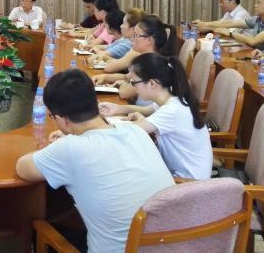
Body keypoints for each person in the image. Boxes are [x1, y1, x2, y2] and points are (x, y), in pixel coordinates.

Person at [16, 69, 174, 253]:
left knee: (36, 227)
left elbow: (23, 168)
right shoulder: (136, 131)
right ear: (96, 103)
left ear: (61, 119)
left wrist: (58, 148)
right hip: (173, 243)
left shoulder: (71, 148)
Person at [99, 54, 212, 180]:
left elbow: (130, 132)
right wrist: (117, 108)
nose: (133, 86)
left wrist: (96, 124)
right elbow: (145, 110)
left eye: (134, 82)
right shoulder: (171, 99)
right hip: (178, 173)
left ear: (152, 83)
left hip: (187, 181)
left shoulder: (172, 110)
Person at [94, 14, 176, 104]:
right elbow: (126, 77)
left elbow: (124, 92)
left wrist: (123, 83)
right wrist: (105, 77)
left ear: (149, 40)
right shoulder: (146, 60)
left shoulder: (152, 65)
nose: (132, 38)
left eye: (136, 35)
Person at [193, 0, 264, 51]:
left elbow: (253, 41)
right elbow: (231, 23)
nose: (255, 5)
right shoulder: (257, 19)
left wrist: (230, 33)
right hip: (258, 55)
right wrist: (204, 23)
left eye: (259, 3)